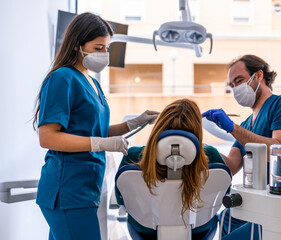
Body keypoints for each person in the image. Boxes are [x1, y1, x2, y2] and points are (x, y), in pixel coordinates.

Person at [32, 12, 158, 240]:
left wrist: (133, 123)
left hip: (85, 189)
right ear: (77, 45)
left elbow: (95, 131)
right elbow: (48, 137)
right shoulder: (62, 78)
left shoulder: (91, 81)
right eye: (98, 48)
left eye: (107, 49)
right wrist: (101, 144)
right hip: (68, 190)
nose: (104, 54)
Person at [202, 54, 281, 238]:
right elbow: (231, 164)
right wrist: (198, 145)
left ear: (259, 76)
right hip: (258, 205)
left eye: (239, 81)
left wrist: (232, 128)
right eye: (232, 85)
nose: (236, 88)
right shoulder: (247, 124)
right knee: (225, 219)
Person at [115, 98, 228, 239]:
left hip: (145, 231)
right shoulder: (211, 155)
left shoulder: (133, 155)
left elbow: (121, 199)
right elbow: (222, 195)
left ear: (159, 127)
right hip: (199, 231)